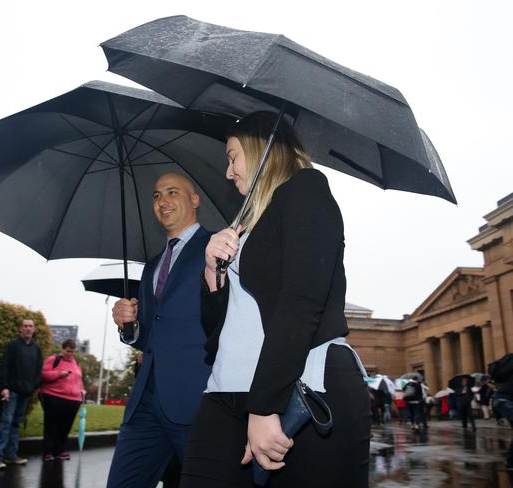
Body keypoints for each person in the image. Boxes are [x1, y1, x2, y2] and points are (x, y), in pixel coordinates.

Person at [180, 112, 371, 488]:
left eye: (233, 156)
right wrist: (212, 276)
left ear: (259, 149)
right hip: (226, 391)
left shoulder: (307, 189)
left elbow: (302, 303)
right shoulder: (244, 223)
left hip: (301, 389)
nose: (228, 171)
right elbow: (219, 331)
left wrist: (265, 404)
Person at [107, 172, 213, 488]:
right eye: (156, 195)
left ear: (194, 200)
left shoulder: (217, 248)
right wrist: (129, 327)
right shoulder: (152, 266)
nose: (162, 201)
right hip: (146, 404)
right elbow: (150, 337)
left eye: (172, 192)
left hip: (196, 401)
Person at [0, 317, 43, 469]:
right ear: (20, 329)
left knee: (15, 424)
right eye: (25, 326)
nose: (28, 328)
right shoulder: (12, 346)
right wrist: (4, 387)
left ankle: (12, 455)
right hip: (12, 391)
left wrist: (33, 387)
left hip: (26, 393)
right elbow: (5, 367)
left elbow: (38, 371)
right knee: (5, 423)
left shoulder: (36, 348)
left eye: (30, 326)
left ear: (33, 329)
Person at [39, 339, 85, 462]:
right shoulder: (54, 360)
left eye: (72, 351)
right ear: (62, 349)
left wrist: (81, 391)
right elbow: (43, 374)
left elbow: (79, 380)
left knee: (65, 426)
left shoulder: (76, 363)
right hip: (53, 396)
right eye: (68, 351)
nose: (69, 354)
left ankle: (60, 450)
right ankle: (48, 452)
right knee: (51, 425)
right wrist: (59, 374)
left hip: (73, 400)